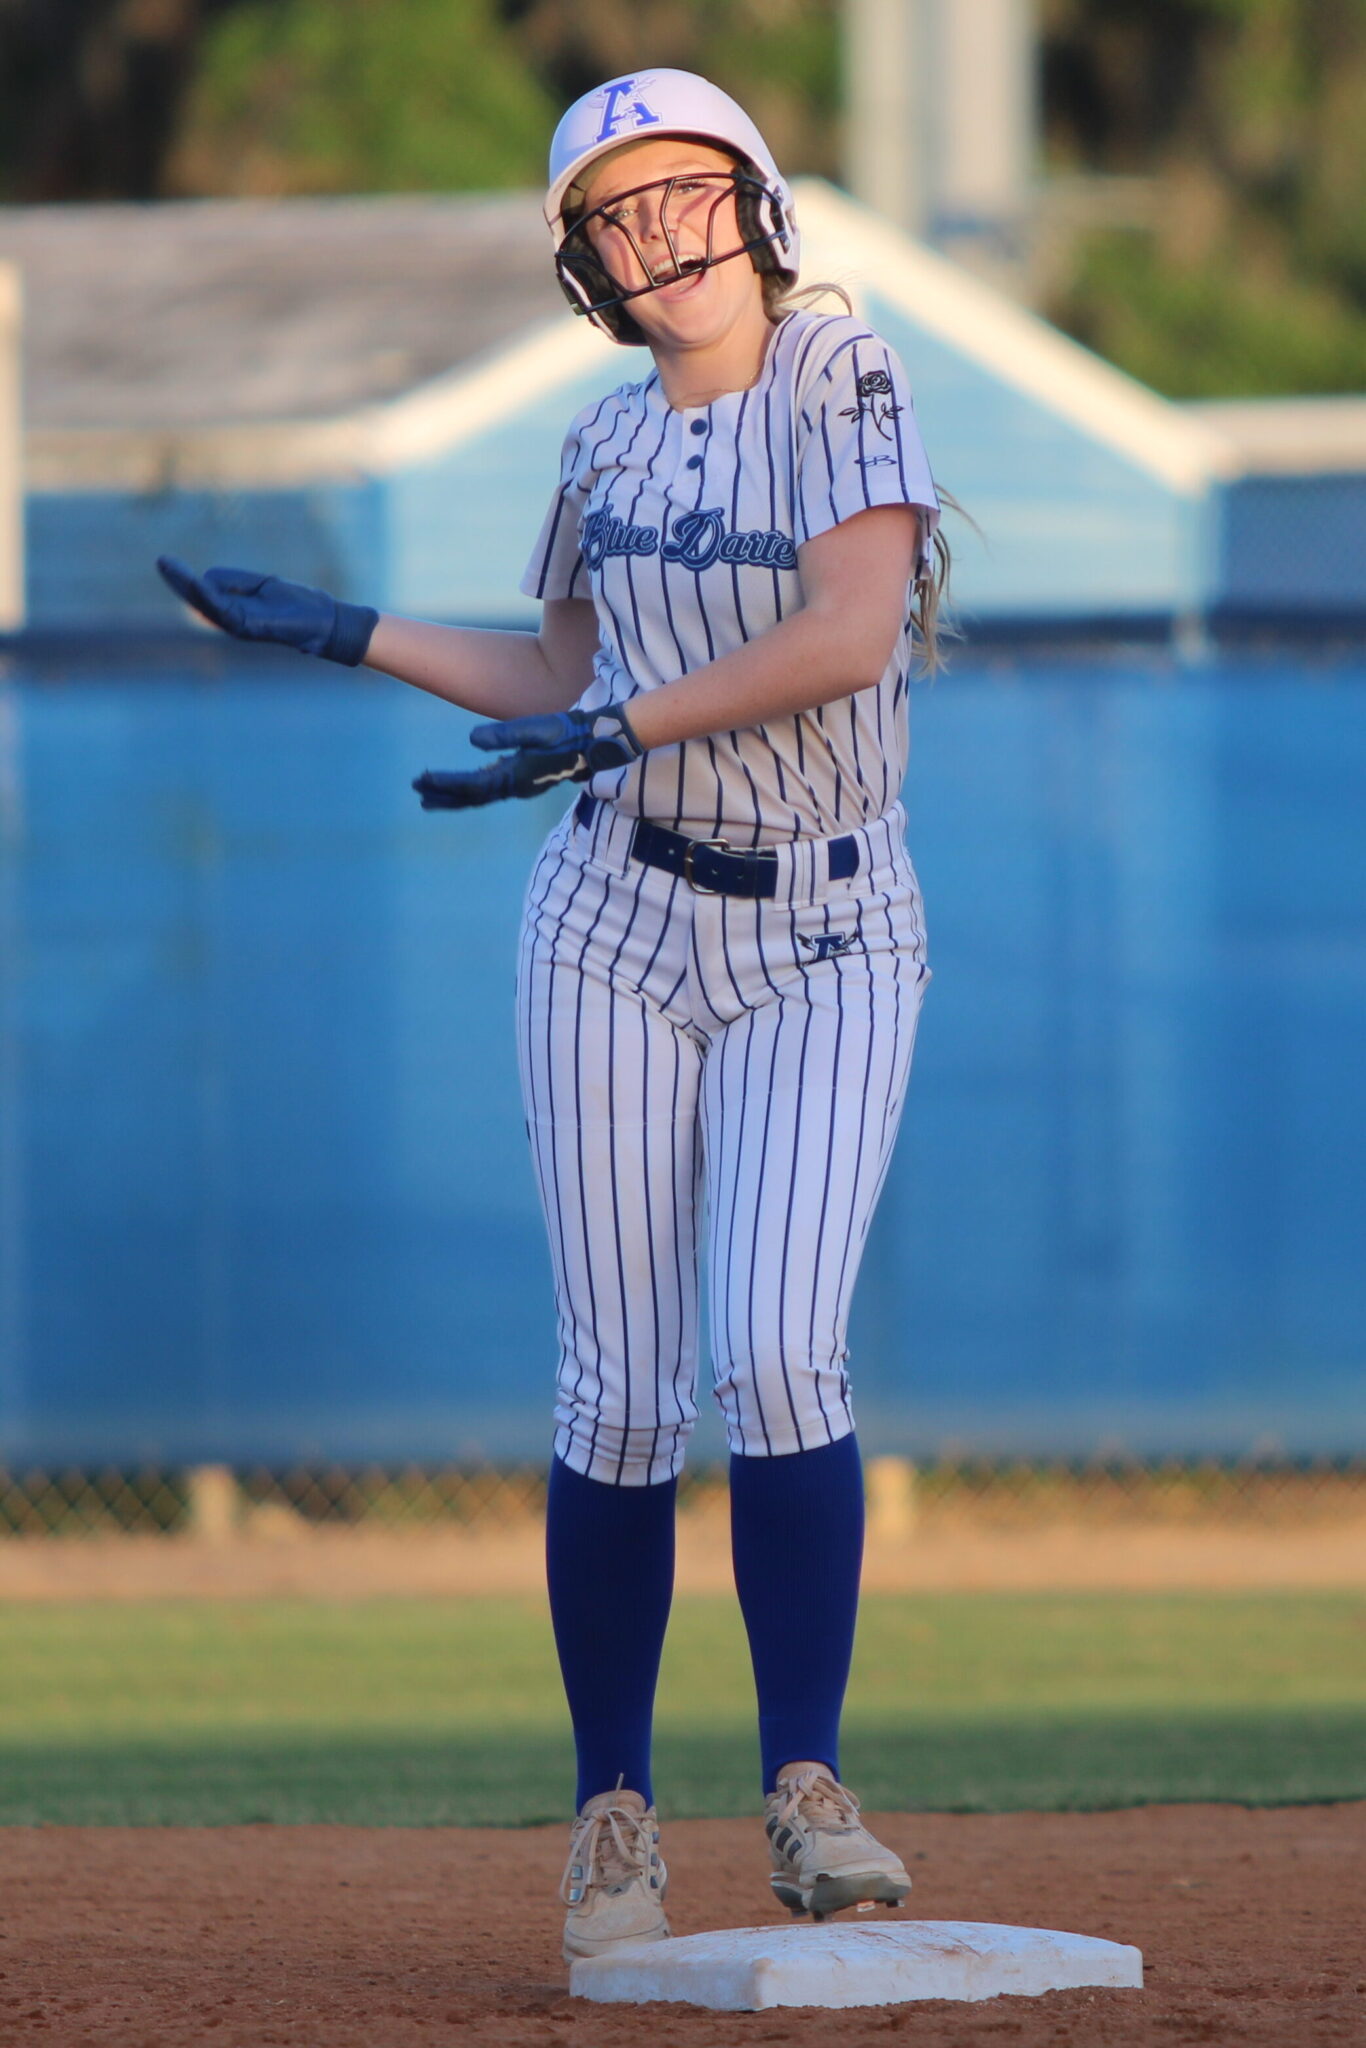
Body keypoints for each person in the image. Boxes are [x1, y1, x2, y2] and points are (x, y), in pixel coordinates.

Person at [157, 67, 948, 1966]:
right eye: (615, 213)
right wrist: (347, 629)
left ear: (756, 205)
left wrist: (612, 728)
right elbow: (555, 676)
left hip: (828, 925)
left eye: (686, 192)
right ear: (583, 267)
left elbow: (849, 629)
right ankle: (612, 1816)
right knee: (619, 1386)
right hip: (611, 918)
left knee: (779, 1354)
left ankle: (806, 1786)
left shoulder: (838, 372)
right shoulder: (602, 443)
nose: (658, 233)